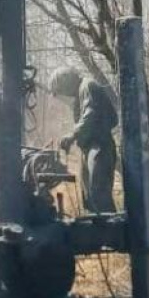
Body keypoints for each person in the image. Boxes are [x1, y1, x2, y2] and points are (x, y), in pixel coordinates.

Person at [49, 66, 118, 213]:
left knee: (98, 193)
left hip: (99, 147)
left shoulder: (88, 86)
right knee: (88, 197)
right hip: (89, 148)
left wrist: (72, 135)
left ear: (66, 82)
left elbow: (90, 114)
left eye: (60, 90)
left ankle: (110, 230)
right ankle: (97, 230)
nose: (63, 95)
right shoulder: (80, 94)